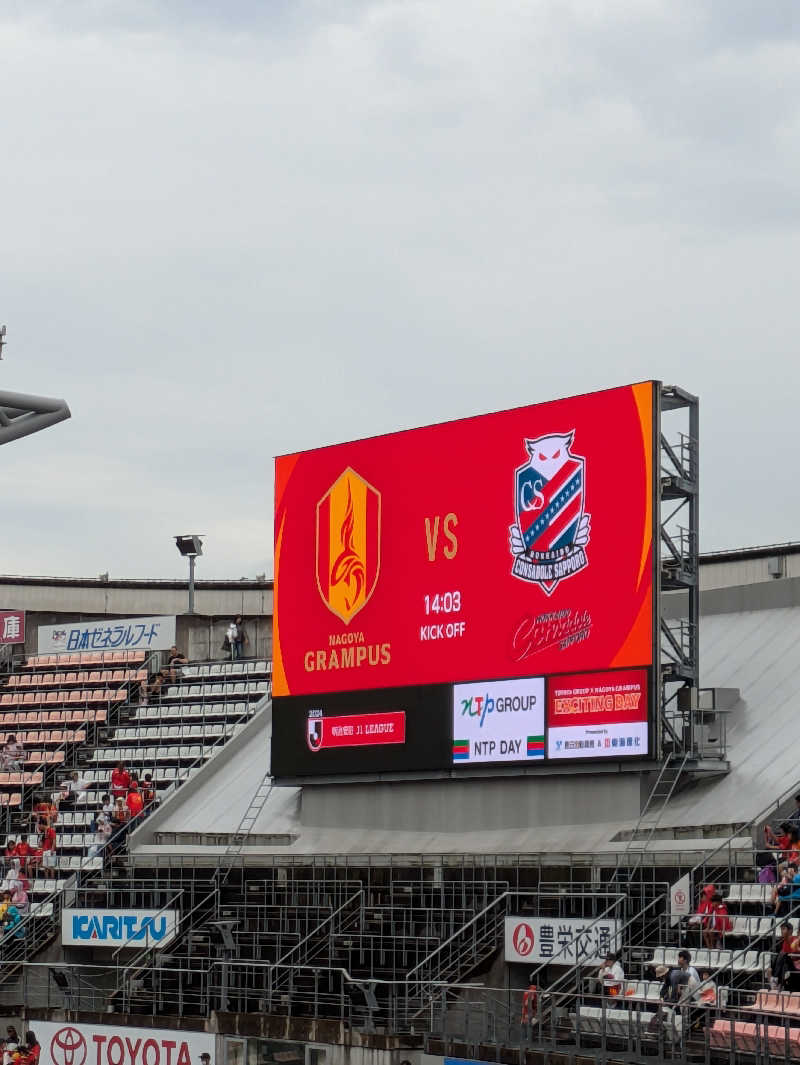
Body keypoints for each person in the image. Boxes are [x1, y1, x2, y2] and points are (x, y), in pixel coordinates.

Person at [770, 920, 800, 989]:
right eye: (781, 929)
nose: (782, 931)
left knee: (783, 954)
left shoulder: (795, 940)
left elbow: (795, 952)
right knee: (781, 959)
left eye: (783, 929)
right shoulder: (784, 942)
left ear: (790, 931)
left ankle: (776, 980)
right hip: (788, 963)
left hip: (796, 964)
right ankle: (779, 984)